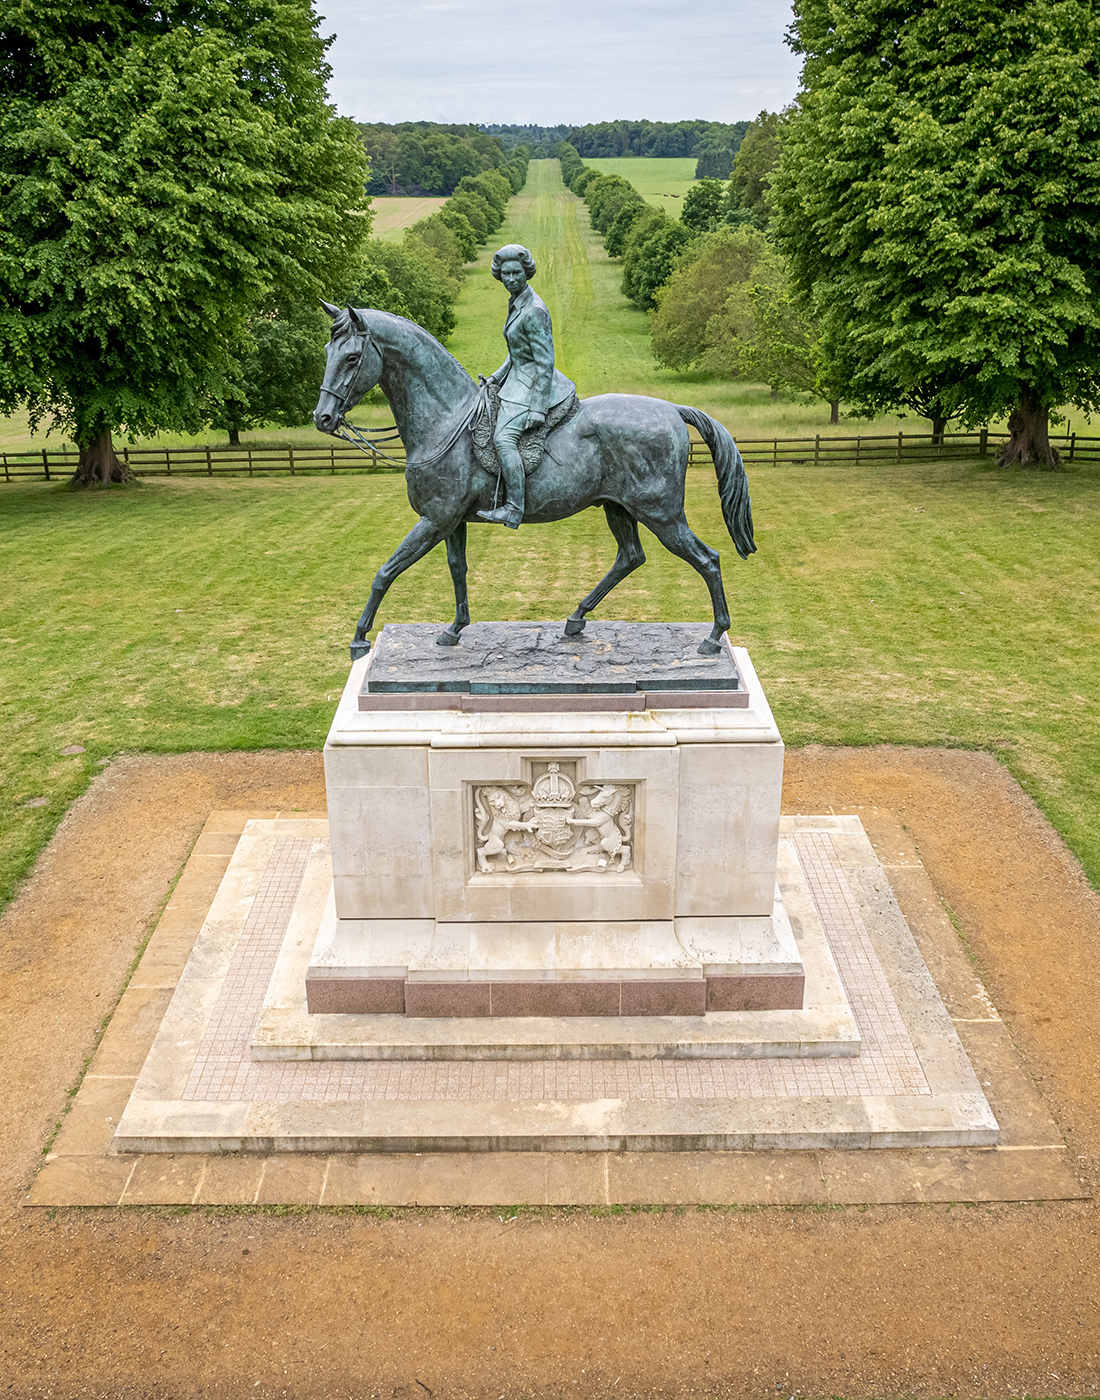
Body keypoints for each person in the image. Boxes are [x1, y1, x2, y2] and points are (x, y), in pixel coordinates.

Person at [477, 244, 576, 528]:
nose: (510, 279)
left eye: (516, 273)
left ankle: (513, 507)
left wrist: (538, 407)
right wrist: (495, 378)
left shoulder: (534, 310)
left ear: (526, 273)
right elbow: (517, 352)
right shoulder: (517, 302)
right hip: (518, 378)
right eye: (505, 273)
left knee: (503, 440)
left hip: (534, 385)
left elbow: (544, 362)